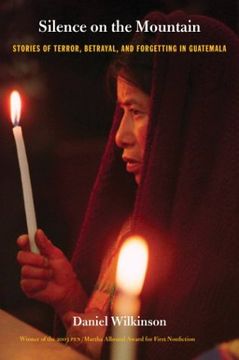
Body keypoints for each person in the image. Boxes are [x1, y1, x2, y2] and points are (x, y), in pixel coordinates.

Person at [17, 10, 239, 360]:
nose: (119, 136)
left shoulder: (222, 256)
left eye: (136, 112)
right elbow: (117, 345)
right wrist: (72, 300)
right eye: (120, 112)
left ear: (189, 121)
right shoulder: (132, 226)